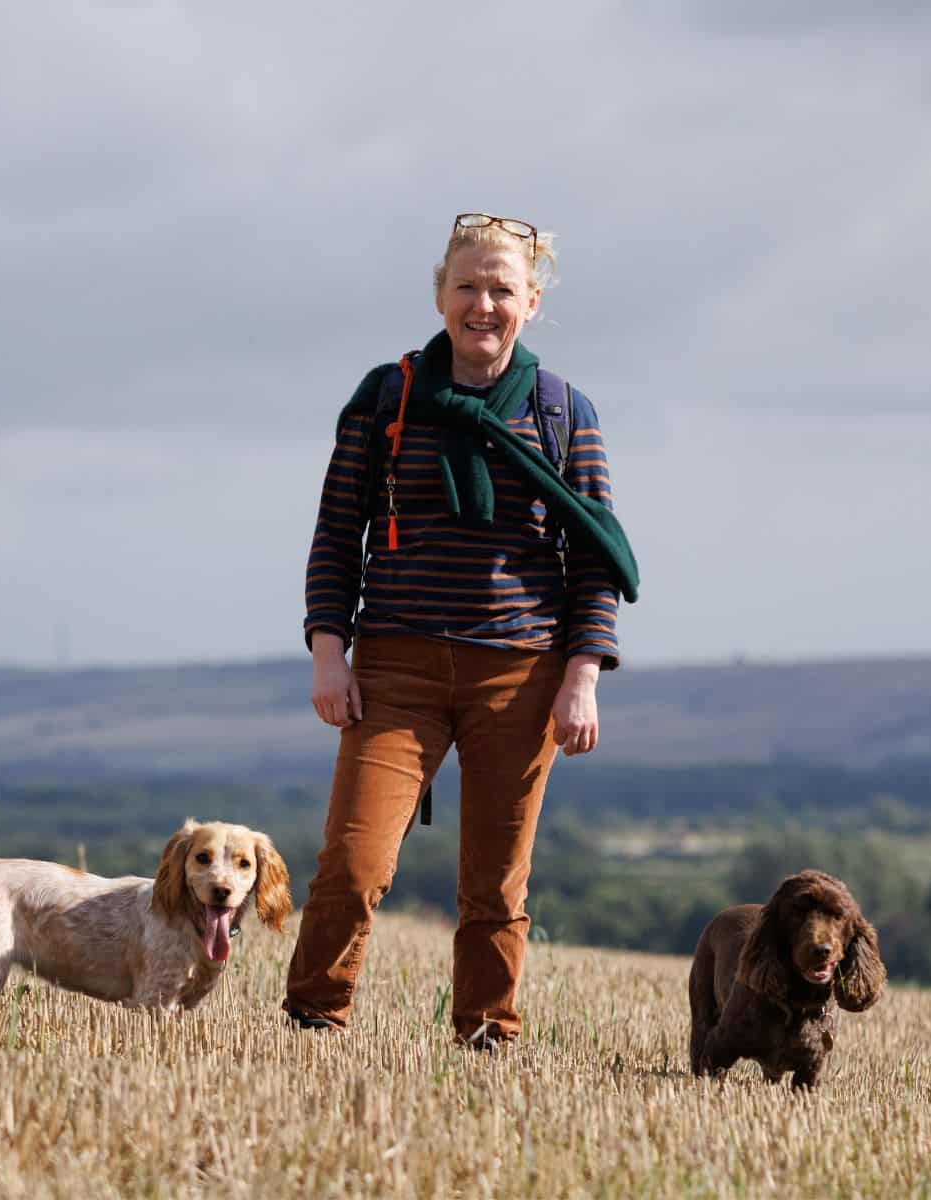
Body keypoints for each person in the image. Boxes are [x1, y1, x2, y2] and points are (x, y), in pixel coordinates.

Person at [284, 212, 637, 1047]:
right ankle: (312, 1020)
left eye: (502, 289)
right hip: (396, 665)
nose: (484, 304)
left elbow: (596, 556)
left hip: (522, 673)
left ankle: (487, 1034)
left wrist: (582, 675)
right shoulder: (386, 396)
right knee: (354, 862)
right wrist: (329, 652)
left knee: (496, 883)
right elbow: (338, 533)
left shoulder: (564, 411)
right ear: (440, 295)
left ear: (533, 301)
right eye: (468, 286)